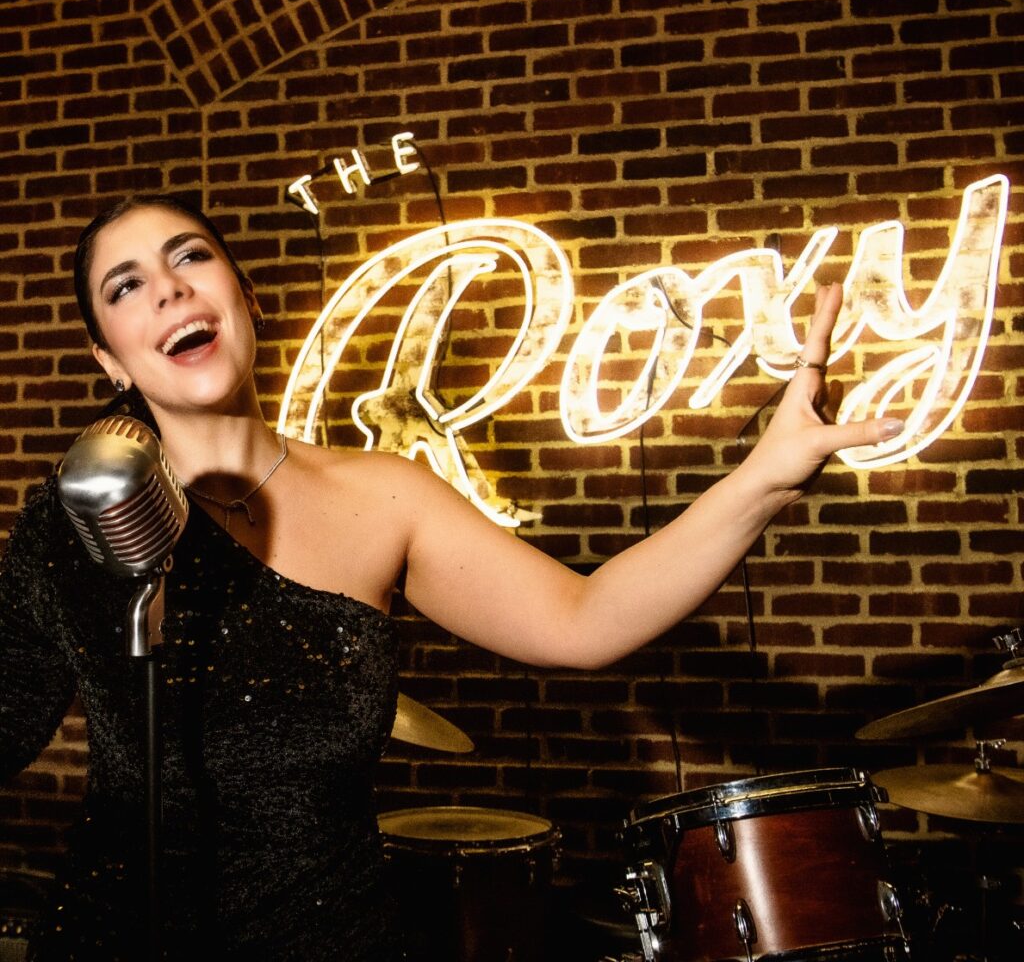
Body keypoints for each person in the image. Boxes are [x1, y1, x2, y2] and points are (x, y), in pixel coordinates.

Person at [0, 194, 903, 960]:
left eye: (189, 257)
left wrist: (764, 478)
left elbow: (583, 619)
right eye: (127, 287)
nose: (168, 288)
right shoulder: (74, 514)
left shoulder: (383, 495)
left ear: (244, 295)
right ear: (112, 360)